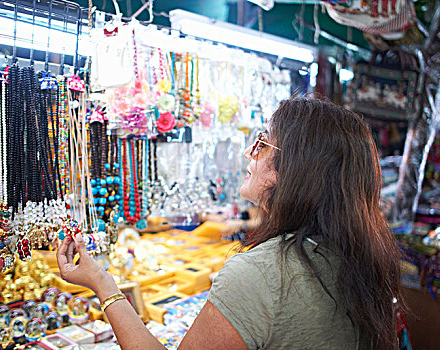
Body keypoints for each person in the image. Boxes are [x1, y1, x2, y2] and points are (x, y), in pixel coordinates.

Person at [57, 95, 403, 349]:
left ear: (293, 171)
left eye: (262, 144)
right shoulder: (357, 258)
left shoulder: (261, 275)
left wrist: (102, 284)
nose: (249, 154)